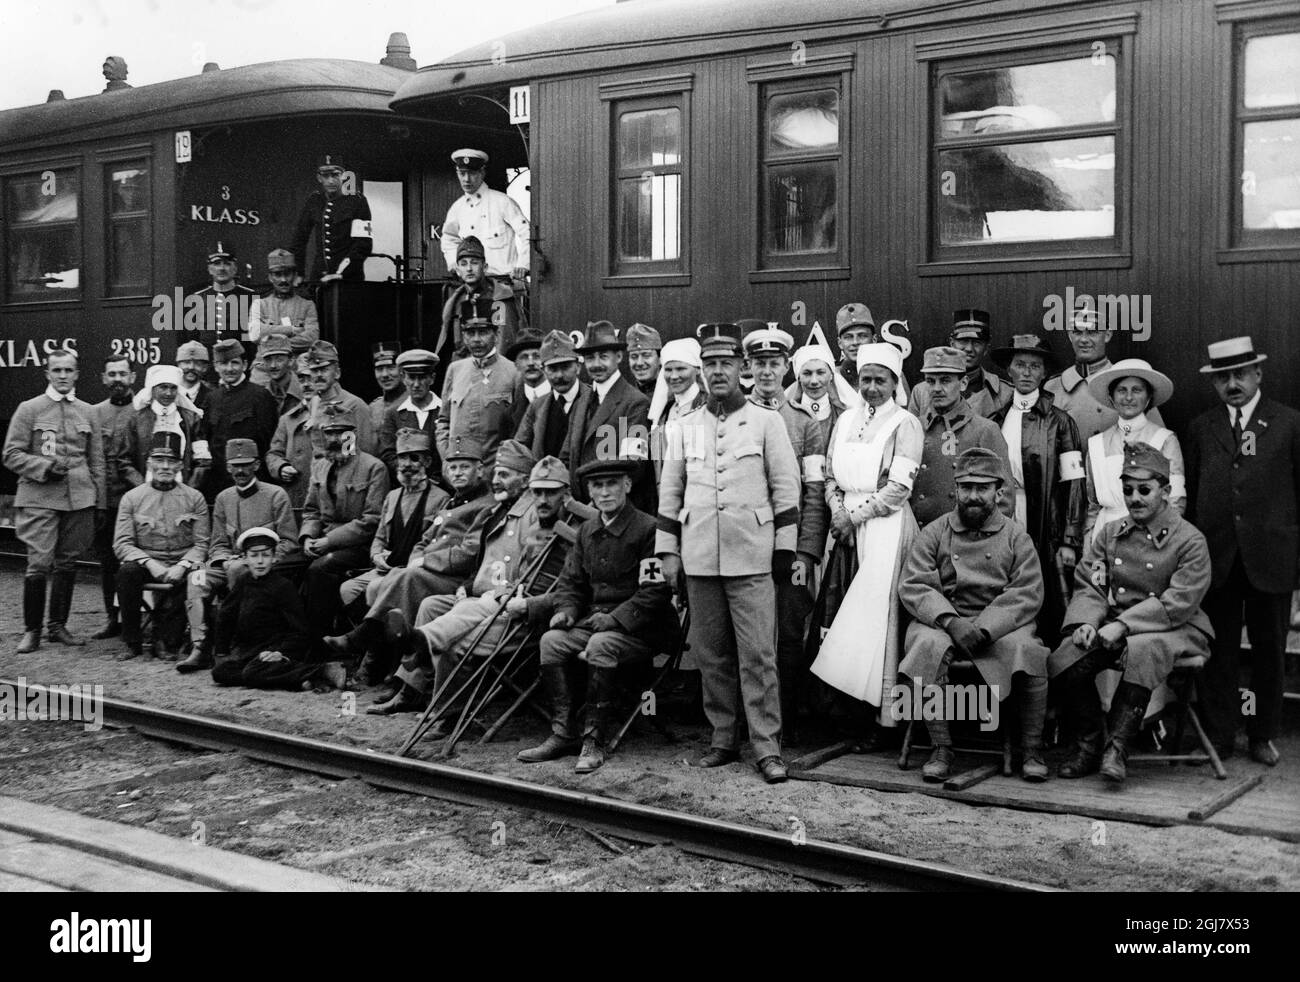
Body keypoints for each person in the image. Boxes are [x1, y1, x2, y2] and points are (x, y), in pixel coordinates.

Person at [656, 322, 801, 784]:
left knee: (759, 655)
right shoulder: (685, 426)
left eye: (726, 363)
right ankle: (722, 738)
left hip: (752, 557)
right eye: (710, 364)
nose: (718, 372)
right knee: (711, 654)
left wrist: (784, 548)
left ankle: (766, 746)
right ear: (701, 371)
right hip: (700, 557)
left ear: (741, 368)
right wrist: (668, 552)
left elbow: (786, 488)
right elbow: (670, 492)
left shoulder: (766, 421)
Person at [1050, 444, 1214, 783]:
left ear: (1165, 491)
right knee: (1067, 657)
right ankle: (1089, 745)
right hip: (1121, 622)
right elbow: (1091, 584)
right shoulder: (1111, 533)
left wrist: (1123, 625)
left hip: (1176, 628)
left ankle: (1117, 748)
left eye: (1144, 490)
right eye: (1128, 490)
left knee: (1144, 649)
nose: (1135, 498)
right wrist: (1084, 623)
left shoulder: (1189, 540)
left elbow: (1179, 602)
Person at [899, 447, 1052, 782]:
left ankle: (1031, 748)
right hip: (944, 621)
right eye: (966, 488)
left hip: (999, 625)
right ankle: (941, 746)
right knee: (925, 645)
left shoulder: (1015, 536)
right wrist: (952, 622)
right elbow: (915, 585)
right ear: (956, 489)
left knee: (1029, 649)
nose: (973, 496)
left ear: (998, 492)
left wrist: (984, 629)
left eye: (982, 488)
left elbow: (1026, 592)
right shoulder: (936, 532)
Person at [521, 458, 676, 771]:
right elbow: (570, 583)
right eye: (597, 486)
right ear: (589, 491)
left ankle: (594, 739)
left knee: (601, 644)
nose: (605, 493)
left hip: (642, 629)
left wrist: (616, 619)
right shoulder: (586, 531)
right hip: (596, 624)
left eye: (612, 484)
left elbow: (655, 592)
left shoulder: (648, 529)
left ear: (628, 486)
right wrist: (566, 611)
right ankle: (563, 732)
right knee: (552, 641)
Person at [1186, 336, 1299, 766]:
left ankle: (1261, 734)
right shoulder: (1201, 428)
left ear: (1258, 375)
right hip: (1218, 561)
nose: (1232, 384)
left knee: (1270, 651)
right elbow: (1194, 495)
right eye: (1223, 378)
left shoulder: (1288, 424)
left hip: (1272, 559)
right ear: (1214, 384)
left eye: (1240, 375)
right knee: (1220, 651)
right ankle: (1219, 733)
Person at [371, 440, 547, 714]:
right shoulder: (497, 511)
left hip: (506, 605)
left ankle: (445, 709)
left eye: (505, 475)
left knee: (449, 630)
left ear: (524, 480)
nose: (496, 481)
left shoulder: (533, 515)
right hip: (479, 595)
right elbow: (483, 560)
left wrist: (503, 592)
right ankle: (412, 691)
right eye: (496, 473)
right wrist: (468, 584)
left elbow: (531, 570)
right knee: (430, 606)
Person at [810, 343, 923, 740]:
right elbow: (828, 476)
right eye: (866, 379)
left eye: (881, 380)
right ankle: (843, 715)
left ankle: (882, 718)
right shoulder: (845, 420)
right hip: (843, 526)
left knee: (877, 619)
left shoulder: (905, 423)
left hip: (884, 528)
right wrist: (838, 511)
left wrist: (854, 516)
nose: (872, 387)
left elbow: (899, 488)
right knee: (839, 613)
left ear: (895, 382)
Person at [331, 437, 495, 693]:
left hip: (457, 578)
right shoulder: (454, 502)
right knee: (389, 581)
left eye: (465, 467)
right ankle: (386, 664)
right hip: (428, 573)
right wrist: (417, 559)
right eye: (453, 467)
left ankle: (367, 643)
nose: (458, 473)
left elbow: (469, 553)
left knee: (405, 579)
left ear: (481, 470)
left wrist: (425, 561)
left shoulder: (485, 506)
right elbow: (425, 539)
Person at [743, 322, 829, 736]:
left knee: (789, 633)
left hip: (790, 545)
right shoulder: (734, 415)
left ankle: (789, 720)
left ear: (785, 368)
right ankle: (750, 720)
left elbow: (814, 492)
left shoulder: (804, 423)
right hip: (746, 546)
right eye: (759, 363)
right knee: (750, 635)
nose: (766, 372)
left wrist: (807, 551)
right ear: (749, 367)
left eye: (773, 363)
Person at [3, 349, 106, 653]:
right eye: (57, 370)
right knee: (39, 563)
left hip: (79, 499)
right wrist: (43, 468)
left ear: (77, 374)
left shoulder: (88, 412)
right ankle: (31, 630)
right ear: (47, 374)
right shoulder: (29, 409)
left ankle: (57, 626)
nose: (63, 375)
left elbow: (96, 461)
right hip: (39, 497)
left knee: (68, 562)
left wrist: (98, 502)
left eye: (68, 370)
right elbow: (11, 454)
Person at [326, 429, 449, 674]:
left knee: (374, 588)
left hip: (413, 570)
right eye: (402, 459)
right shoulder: (392, 497)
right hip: (386, 567)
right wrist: (377, 555)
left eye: (414, 458)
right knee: (347, 589)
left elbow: (434, 543)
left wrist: (410, 563)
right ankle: (375, 648)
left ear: (426, 462)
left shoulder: (441, 499)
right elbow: (379, 536)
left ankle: (374, 658)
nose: (407, 465)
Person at [989, 333, 1085, 643]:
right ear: (1009, 371)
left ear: (1044, 373)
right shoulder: (996, 419)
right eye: (1020, 365)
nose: (1027, 373)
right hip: (1004, 513)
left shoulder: (1061, 422)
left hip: (1046, 518)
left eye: (1034, 366)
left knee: (1045, 587)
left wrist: (1070, 538)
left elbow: (1074, 483)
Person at [178, 438, 300, 673]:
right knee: (197, 578)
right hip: (229, 564)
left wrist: (253, 560)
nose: (240, 471)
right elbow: (219, 543)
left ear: (256, 465)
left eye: (246, 464)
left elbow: (288, 541)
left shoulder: (276, 495)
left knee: (238, 571)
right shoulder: (224, 498)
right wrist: (223, 560)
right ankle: (200, 647)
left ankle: (237, 644)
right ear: (227, 467)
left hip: (262, 566)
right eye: (235, 465)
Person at [299, 406, 389, 658]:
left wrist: (328, 542)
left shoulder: (374, 468)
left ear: (354, 435)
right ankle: (288, 640)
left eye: (342, 433)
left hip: (359, 546)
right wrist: (307, 537)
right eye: (329, 433)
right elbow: (311, 510)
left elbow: (372, 520)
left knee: (320, 569)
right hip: (321, 541)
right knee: (285, 566)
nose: (336, 439)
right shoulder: (319, 467)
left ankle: (321, 648)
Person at [113, 431, 210, 660]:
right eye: (159, 460)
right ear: (149, 463)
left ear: (180, 466)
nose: (165, 466)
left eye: (172, 461)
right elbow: (122, 544)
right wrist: (150, 563)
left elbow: (202, 544)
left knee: (197, 574)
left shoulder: (194, 498)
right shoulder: (132, 498)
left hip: (182, 561)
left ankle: (168, 639)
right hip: (146, 561)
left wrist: (183, 564)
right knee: (127, 572)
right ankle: (132, 640)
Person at [211, 527, 345, 691]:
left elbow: (300, 631)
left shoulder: (282, 586)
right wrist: (221, 651)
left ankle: (323, 670)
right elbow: (226, 616)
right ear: (245, 558)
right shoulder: (243, 582)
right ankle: (298, 679)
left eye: (266, 555)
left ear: (274, 558)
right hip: (252, 653)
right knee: (220, 672)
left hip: (279, 650)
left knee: (252, 673)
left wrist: (279, 652)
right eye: (254, 555)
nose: (260, 561)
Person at [1082, 358, 1183, 543]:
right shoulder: (1095, 444)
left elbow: (1175, 501)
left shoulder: (1165, 440)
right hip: (1105, 536)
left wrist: (1161, 543)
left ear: (1148, 397)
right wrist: (1089, 544)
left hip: (1149, 538)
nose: (1129, 397)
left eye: (1137, 390)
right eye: (1122, 390)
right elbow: (1093, 506)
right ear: (1111, 398)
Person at [910, 346, 1012, 528]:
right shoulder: (913, 426)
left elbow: (1003, 496)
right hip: (917, 535)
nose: (937, 388)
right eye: (931, 381)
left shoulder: (984, 430)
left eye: (945, 381)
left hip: (962, 538)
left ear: (963, 383)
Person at [565, 320, 653, 510]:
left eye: (603, 356)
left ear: (619, 357)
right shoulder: (582, 401)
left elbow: (634, 465)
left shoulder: (635, 402)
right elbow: (567, 456)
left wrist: (597, 502)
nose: (596, 365)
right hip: (581, 512)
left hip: (617, 511)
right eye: (590, 358)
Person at [1045, 308, 1163, 444]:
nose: (1084, 339)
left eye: (1093, 332)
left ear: (1107, 335)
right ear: (1070, 335)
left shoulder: (1128, 382)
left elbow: (1158, 440)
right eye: (1077, 332)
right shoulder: (1053, 386)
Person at [90, 354, 137, 638]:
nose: (117, 379)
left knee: (135, 562)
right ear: (104, 378)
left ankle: (139, 619)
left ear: (132, 377)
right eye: (112, 374)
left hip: (136, 501)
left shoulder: (143, 410)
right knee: (108, 563)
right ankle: (113, 618)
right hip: (107, 502)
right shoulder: (94, 413)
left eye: (123, 373)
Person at [435, 307, 517, 469]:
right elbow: (443, 421)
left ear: (497, 335)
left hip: (493, 472)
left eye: (483, 332)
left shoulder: (513, 372)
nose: (476, 339)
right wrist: (447, 459)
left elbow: (516, 429)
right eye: (470, 333)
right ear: (464, 336)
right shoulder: (455, 369)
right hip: (458, 473)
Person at [198, 339, 279, 502]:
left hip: (253, 483)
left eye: (234, 363)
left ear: (245, 364)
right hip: (220, 485)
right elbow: (207, 440)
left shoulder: (260, 396)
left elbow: (269, 442)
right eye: (223, 363)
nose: (229, 369)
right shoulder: (211, 399)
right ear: (216, 366)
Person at [440, 149, 530, 279]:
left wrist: (523, 264)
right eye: (462, 173)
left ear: (482, 173)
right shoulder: (457, 208)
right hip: (472, 286)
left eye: (472, 173)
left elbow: (527, 232)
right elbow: (448, 237)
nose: (466, 179)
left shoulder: (502, 202)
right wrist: (455, 264)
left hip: (503, 283)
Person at [117, 364, 207, 490]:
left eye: (173, 388)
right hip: (145, 491)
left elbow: (203, 460)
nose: (168, 393)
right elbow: (124, 461)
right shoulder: (136, 419)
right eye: (163, 387)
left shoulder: (191, 419)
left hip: (182, 491)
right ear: (152, 389)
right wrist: (143, 488)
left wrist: (188, 490)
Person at [909, 309, 1011, 420]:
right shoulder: (921, 392)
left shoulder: (1003, 392)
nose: (969, 349)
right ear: (952, 343)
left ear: (986, 348)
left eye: (977, 343)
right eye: (963, 341)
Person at [436, 236, 521, 363]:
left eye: (474, 263)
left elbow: (504, 342)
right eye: (464, 264)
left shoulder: (499, 298)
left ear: (485, 267)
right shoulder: (456, 301)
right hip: (463, 369)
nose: (469, 268)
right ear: (458, 270)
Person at [290, 154, 372, 283]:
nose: (331, 181)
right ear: (319, 178)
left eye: (335, 175)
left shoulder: (357, 201)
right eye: (326, 176)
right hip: (319, 276)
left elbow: (364, 243)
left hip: (349, 278)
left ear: (343, 176)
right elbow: (299, 239)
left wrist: (341, 273)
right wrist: (298, 272)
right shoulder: (314, 201)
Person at [514, 330, 590, 462]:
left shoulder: (594, 400)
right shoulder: (537, 406)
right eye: (553, 369)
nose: (559, 375)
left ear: (578, 367)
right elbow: (518, 449)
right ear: (544, 370)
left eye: (565, 367)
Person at [248, 248, 319, 386]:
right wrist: (291, 330)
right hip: (263, 372)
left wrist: (269, 338)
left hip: (296, 372)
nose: (283, 279)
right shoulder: (260, 304)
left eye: (287, 274)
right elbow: (255, 334)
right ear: (270, 277)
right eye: (277, 274)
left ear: (295, 275)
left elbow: (312, 338)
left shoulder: (307, 305)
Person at [648, 338, 706, 487]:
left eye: (681, 369)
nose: (673, 376)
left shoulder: (708, 408)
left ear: (697, 369)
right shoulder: (663, 413)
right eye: (668, 370)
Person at [303, 340, 376, 457]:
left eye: (324, 369)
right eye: (314, 370)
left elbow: (366, 452)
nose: (319, 375)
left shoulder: (354, 405)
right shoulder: (314, 404)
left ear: (337, 373)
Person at [785, 343, 861, 451]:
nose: (814, 381)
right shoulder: (786, 417)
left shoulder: (846, 416)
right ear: (799, 377)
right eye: (807, 373)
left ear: (831, 376)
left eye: (821, 373)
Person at [377, 349, 441, 479]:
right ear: (403, 378)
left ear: (432, 378)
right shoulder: (393, 414)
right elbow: (387, 453)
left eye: (422, 377)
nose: (416, 384)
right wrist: (410, 472)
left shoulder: (445, 411)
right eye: (411, 377)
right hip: (406, 483)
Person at [266, 354, 316, 513]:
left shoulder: (344, 411)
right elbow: (273, 454)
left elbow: (350, 457)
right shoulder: (288, 419)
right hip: (296, 498)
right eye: (302, 379)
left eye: (311, 378)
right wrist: (281, 468)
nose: (307, 384)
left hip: (328, 497)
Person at [185, 242, 255, 348]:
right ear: (209, 269)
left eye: (227, 263)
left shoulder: (249, 297)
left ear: (235, 268)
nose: (221, 268)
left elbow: (252, 336)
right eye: (217, 263)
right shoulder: (198, 299)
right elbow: (194, 338)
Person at [253, 334, 307, 418]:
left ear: (291, 361)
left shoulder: (305, 391)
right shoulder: (260, 396)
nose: (273, 365)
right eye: (268, 360)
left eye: (279, 360)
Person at [507, 328, 549, 430]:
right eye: (524, 357)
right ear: (516, 364)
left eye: (537, 356)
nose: (530, 363)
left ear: (547, 360)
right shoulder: (509, 414)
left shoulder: (563, 399)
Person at [834, 302, 876, 390]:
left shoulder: (891, 373)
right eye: (848, 337)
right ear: (840, 343)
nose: (855, 342)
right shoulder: (832, 377)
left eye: (862, 335)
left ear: (874, 340)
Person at [367, 342, 406, 436]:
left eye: (391, 368)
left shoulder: (414, 403)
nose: (385, 375)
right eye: (379, 369)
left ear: (402, 370)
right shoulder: (373, 408)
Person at [626, 323, 663, 398]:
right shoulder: (625, 398)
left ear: (660, 359)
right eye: (634, 356)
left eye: (646, 355)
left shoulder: (672, 397)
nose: (639, 363)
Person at [176, 340, 213, 414]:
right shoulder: (169, 394)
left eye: (197, 363)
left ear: (205, 367)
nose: (191, 367)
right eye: (186, 362)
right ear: (178, 365)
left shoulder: (213, 397)